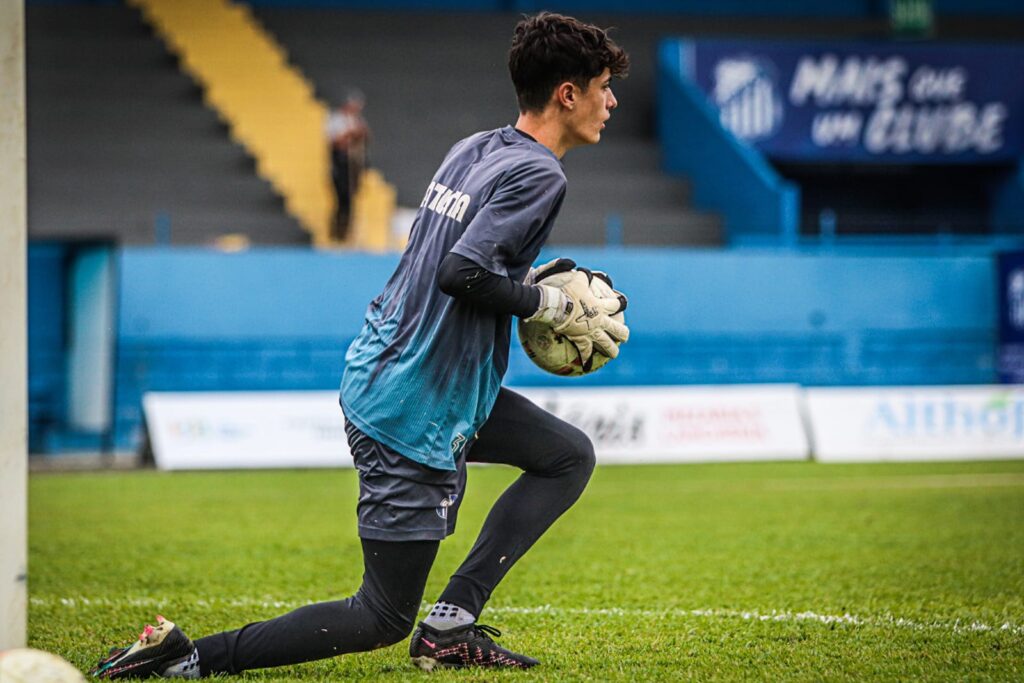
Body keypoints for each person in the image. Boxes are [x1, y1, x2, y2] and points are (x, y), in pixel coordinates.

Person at [91, 12, 630, 679]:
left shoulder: (476, 148)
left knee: (566, 455)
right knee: (380, 614)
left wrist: (529, 283)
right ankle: (188, 657)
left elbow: (460, 260)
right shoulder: (542, 175)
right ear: (567, 94)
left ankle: (453, 621)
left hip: (401, 370)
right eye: (604, 86)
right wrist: (546, 302)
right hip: (416, 400)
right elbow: (460, 272)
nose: (612, 101)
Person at [326, 90, 369, 241]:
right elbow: (335, 142)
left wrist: (358, 134)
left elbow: (365, 137)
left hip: (353, 164)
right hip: (339, 164)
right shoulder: (335, 120)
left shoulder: (358, 121)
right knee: (342, 199)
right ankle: (337, 233)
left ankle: (348, 233)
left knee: (351, 199)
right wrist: (350, 134)